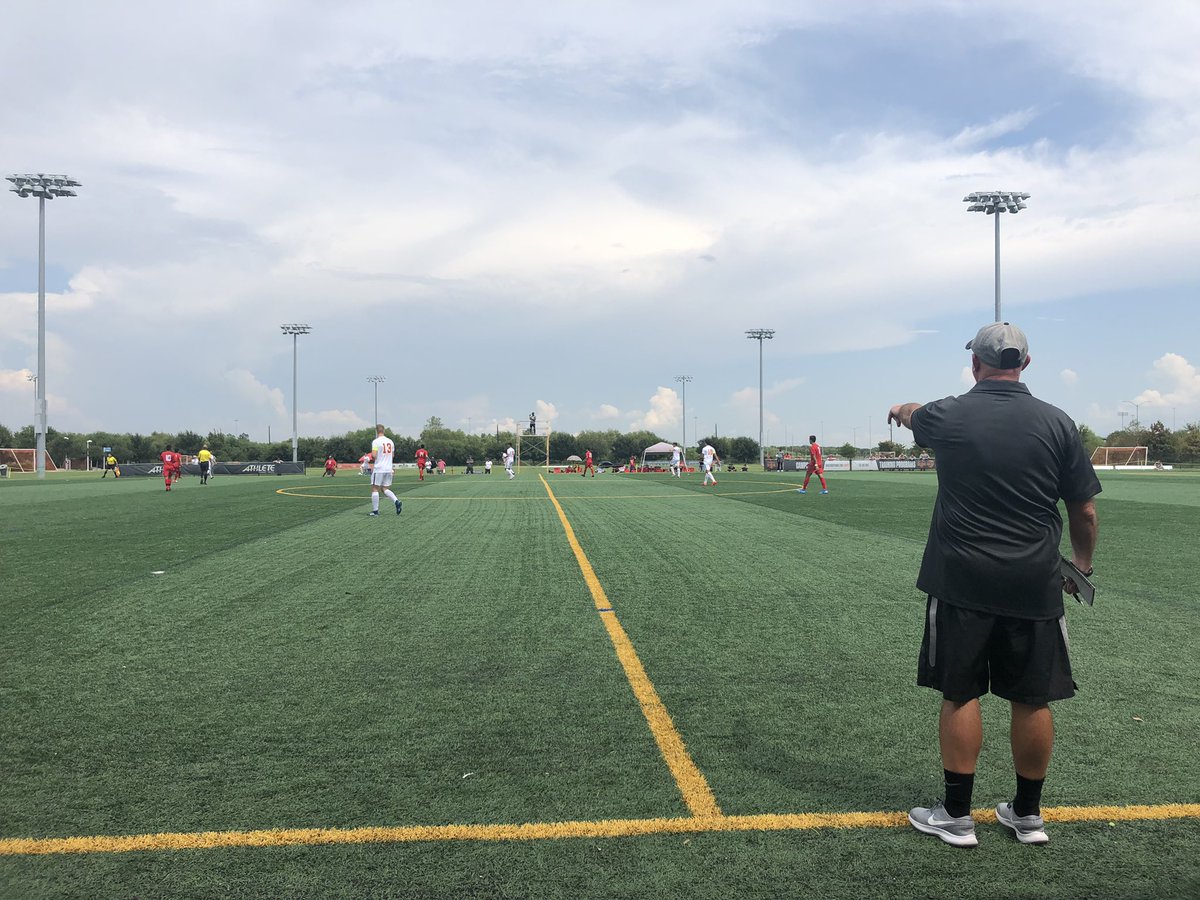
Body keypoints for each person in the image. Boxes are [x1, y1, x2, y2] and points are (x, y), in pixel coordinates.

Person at [888, 322, 1100, 848]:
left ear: (975, 364)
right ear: (1024, 364)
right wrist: (1082, 564)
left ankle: (957, 815)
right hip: (1034, 581)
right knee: (1033, 698)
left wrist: (901, 408)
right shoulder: (1058, 422)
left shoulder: (947, 414)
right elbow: (1085, 510)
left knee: (960, 692)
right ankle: (1027, 814)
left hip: (961, 580)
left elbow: (914, 413)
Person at [367, 425, 403, 517]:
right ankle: (396, 501)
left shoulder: (376, 442)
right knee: (385, 489)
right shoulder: (390, 442)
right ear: (384, 431)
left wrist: (373, 457)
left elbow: (374, 455)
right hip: (388, 469)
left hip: (379, 468)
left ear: (376, 431)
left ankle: (375, 511)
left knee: (375, 488)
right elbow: (392, 455)